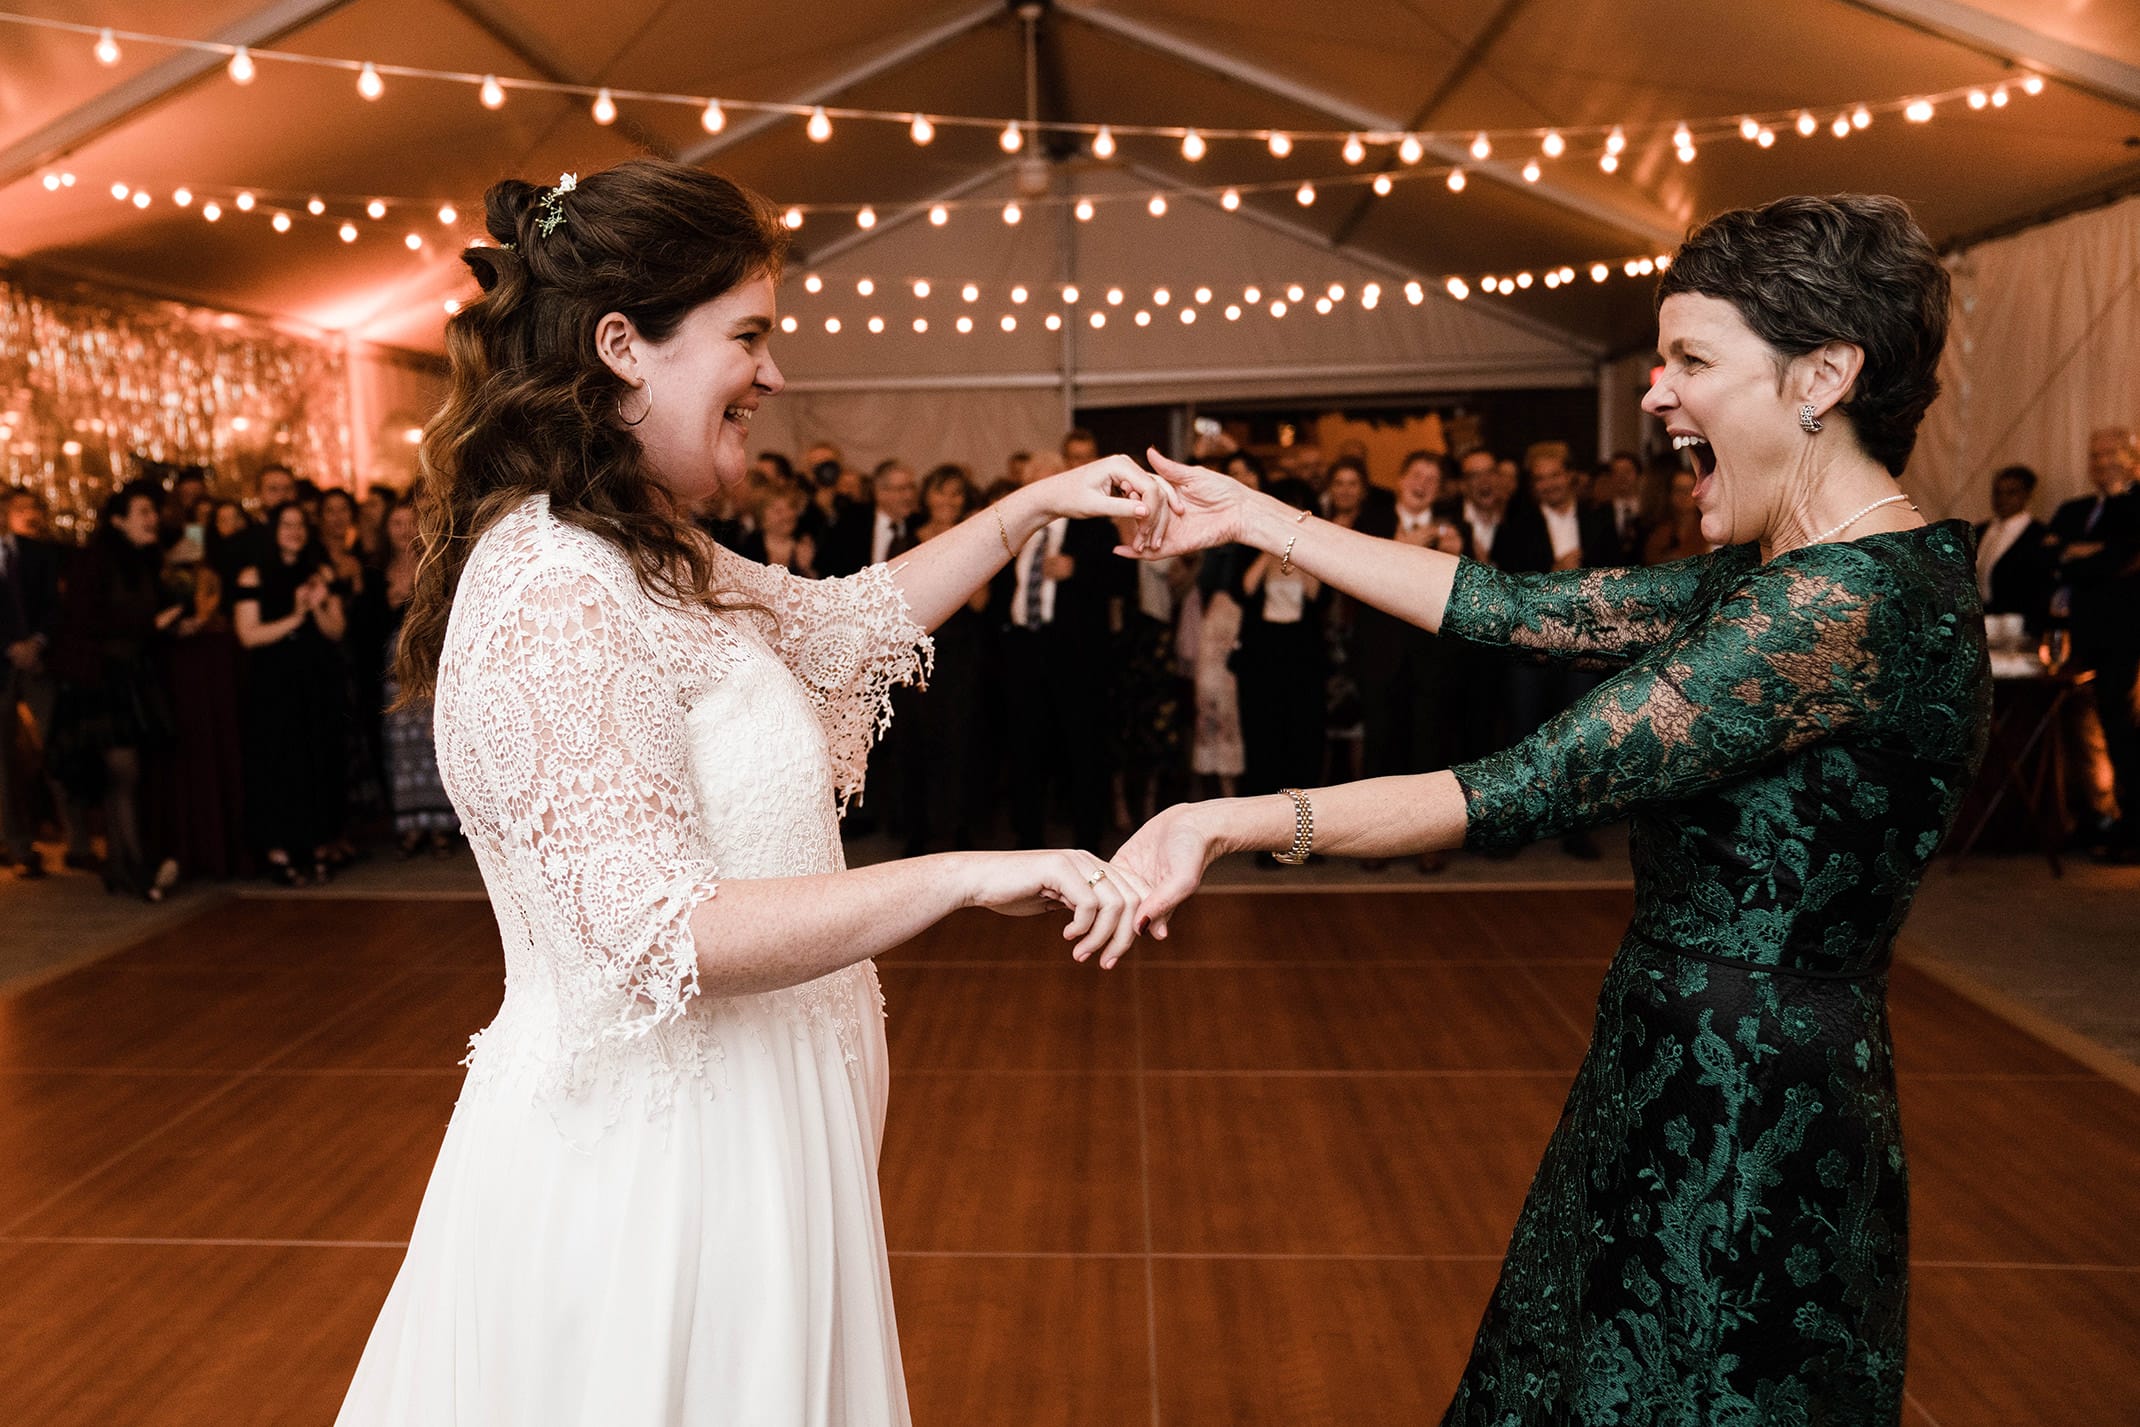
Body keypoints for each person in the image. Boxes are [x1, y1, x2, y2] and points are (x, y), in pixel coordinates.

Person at [1114, 193, 1989, 1425]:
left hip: (1744, 1108)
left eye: (1690, 359)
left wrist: (1224, 821)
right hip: (1678, 1061)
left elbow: (1523, 784)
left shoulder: (1844, 605)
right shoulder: (1792, 573)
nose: (1652, 393)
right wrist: (1263, 518)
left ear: (1823, 374)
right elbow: (1519, 607)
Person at [336, 159, 1169, 1427]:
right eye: (748, 336)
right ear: (622, 347)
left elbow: (845, 625)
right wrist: (956, 875)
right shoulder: (555, 587)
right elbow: (659, 933)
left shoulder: (650, 550)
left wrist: (1032, 510)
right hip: (652, 1197)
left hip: (762, 1159)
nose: (773, 376)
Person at [48, 486, 185, 900]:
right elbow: (85, 620)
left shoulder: (144, 559)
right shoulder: (93, 561)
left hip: (128, 678)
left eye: (153, 511)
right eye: (143, 511)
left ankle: (123, 863)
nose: (152, 518)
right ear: (118, 520)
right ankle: (131, 865)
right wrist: (152, 623)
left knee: (122, 776)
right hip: (99, 681)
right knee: (121, 773)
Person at [233, 501, 348, 884]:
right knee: (278, 763)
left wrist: (316, 608)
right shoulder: (253, 575)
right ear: (273, 529)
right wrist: (295, 617)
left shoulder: (319, 572)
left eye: (301, 525)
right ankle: (279, 849)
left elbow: (336, 631)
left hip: (315, 678)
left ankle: (317, 845)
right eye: (287, 524)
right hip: (273, 683)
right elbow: (248, 635)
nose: (295, 532)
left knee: (316, 759)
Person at [2046, 427, 2140, 857]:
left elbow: (2119, 561)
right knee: (2075, 727)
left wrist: (2077, 555)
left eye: (2109, 454)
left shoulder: (2136, 505)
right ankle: (2093, 816)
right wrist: (2080, 554)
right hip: (2073, 635)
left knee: (2122, 730)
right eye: (2094, 454)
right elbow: (2045, 556)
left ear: (2130, 458)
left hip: (2122, 636)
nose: (2100, 462)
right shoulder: (2076, 508)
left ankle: (2131, 828)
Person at [376, 502, 457, 858]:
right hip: (392, 668)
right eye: (396, 522)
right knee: (401, 749)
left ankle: (442, 826)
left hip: (429, 666)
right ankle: (410, 827)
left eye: (410, 522)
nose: (404, 529)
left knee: (433, 743)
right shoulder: (377, 570)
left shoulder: (435, 565)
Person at [2, 486, 67, 877]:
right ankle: (17, 845)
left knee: (57, 743)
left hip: (41, 661)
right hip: (2, 663)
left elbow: (54, 605)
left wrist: (38, 642)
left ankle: (76, 839)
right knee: (3, 761)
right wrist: (9, 646)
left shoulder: (38, 553)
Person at [1974, 464, 2054, 630]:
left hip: (2016, 622)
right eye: (1997, 493)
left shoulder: (2039, 535)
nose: (2002, 499)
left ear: (2027, 495)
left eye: (2011, 493)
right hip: (1980, 619)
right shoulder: (1979, 530)